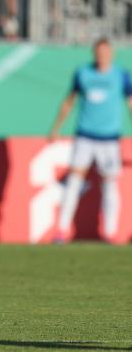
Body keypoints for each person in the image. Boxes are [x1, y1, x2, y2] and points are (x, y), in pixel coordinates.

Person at [48, 38, 132, 244]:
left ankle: (110, 232)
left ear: (111, 54)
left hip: (109, 138)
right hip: (85, 136)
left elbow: (130, 103)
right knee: (74, 182)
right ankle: (62, 230)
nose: (102, 56)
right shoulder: (83, 73)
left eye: (106, 52)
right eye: (99, 52)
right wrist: (56, 128)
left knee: (110, 184)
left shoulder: (121, 76)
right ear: (94, 54)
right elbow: (70, 101)